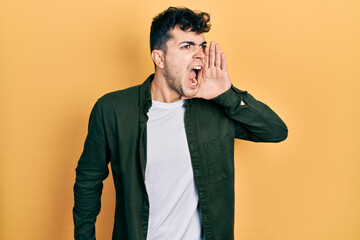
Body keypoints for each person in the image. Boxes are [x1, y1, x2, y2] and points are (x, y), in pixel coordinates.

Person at [73, 6, 288, 240]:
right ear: (159, 58)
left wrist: (226, 94)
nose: (200, 55)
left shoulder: (216, 109)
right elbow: (88, 181)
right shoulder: (113, 110)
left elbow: (276, 131)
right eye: (186, 46)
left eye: (201, 46)